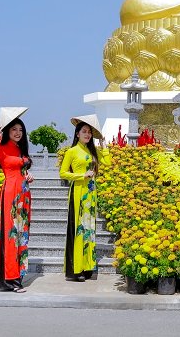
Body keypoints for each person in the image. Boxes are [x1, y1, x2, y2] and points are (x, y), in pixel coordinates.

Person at [60, 115, 110, 281]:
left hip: (91, 195)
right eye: (84, 132)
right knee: (79, 229)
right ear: (77, 134)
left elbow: (108, 163)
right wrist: (81, 175)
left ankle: (88, 266)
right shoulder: (72, 151)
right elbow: (63, 173)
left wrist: (103, 145)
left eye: (89, 132)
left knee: (89, 229)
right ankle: (76, 269)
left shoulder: (92, 151)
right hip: (78, 193)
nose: (87, 135)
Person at [0, 109, 33, 293]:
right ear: (7, 131)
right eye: (14, 129)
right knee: (11, 235)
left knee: (21, 235)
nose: (18, 132)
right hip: (10, 195)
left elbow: (21, 169)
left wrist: (28, 175)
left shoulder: (20, 149)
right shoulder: (3, 146)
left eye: (20, 130)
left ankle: (18, 275)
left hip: (23, 196)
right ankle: (10, 279)